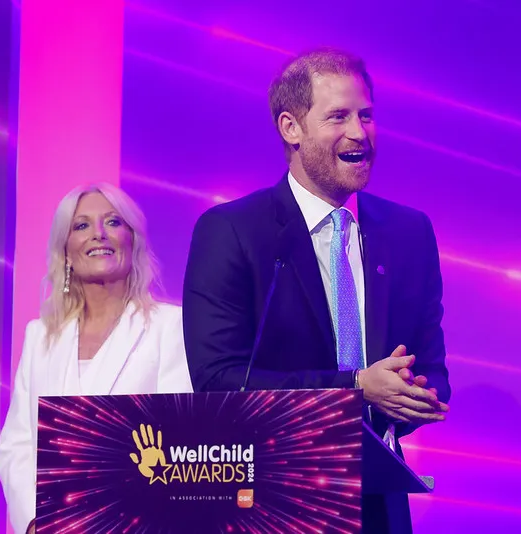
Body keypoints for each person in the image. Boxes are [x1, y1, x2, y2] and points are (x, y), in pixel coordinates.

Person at [182, 48, 450, 533]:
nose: (359, 133)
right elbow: (218, 381)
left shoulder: (409, 233)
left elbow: (433, 373)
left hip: (377, 510)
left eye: (366, 115)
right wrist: (355, 388)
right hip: (269, 503)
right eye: (338, 116)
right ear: (291, 128)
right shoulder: (233, 231)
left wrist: (411, 395)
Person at [0, 183, 193, 534]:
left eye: (113, 222)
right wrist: (35, 521)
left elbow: (181, 441)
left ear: (132, 241)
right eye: (81, 225)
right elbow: (18, 445)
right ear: (66, 252)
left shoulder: (171, 327)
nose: (98, 234)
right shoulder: (40, 337)